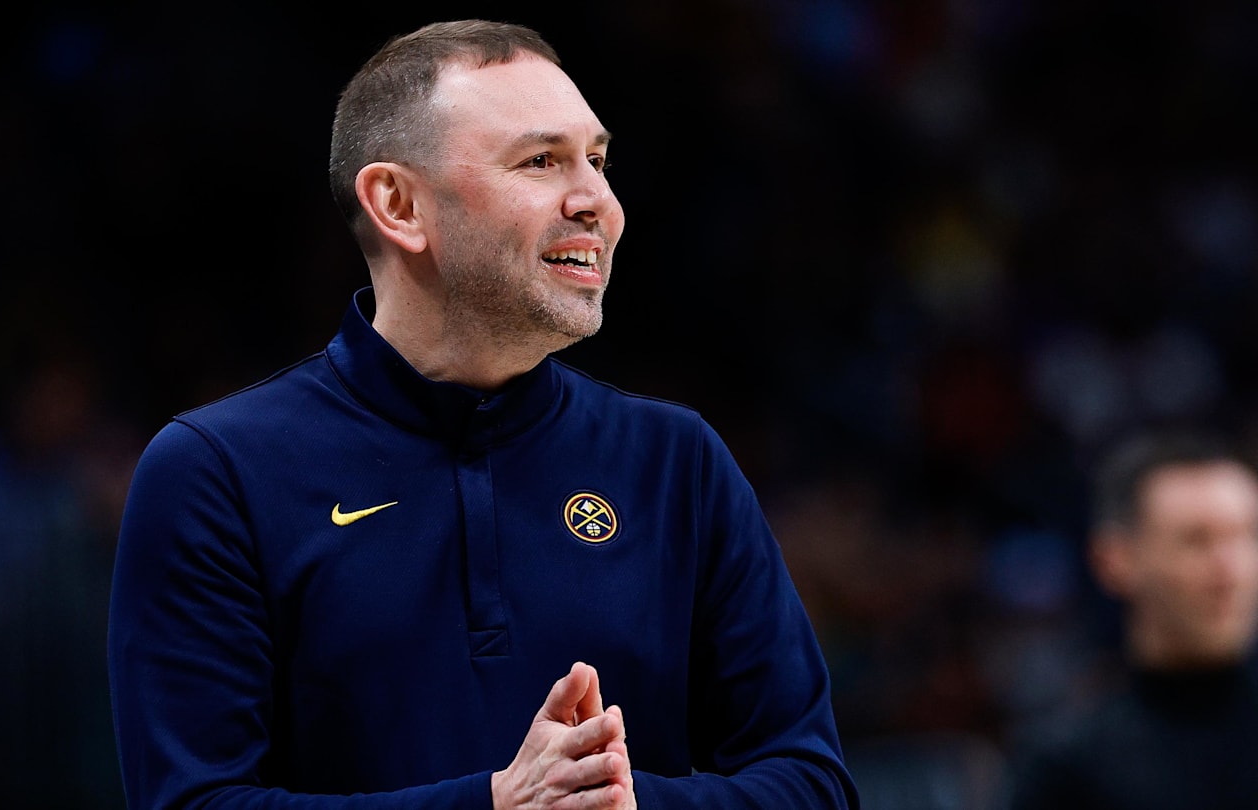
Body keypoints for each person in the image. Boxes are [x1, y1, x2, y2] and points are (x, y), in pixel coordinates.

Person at [107, 19, 858, 809]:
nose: (598, 203)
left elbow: (811, 783)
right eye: (542, 161)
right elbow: (194, 802)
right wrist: (496, 804)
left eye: (598, 161)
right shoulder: (215, 471)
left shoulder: (678, 460)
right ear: (399, 204)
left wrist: (616, 802)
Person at [1005, 429, 1258, 809]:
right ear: (1114, 560)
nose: (1230, 572)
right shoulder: (1066, 764)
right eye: (1196, 541)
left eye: (1246, 536)